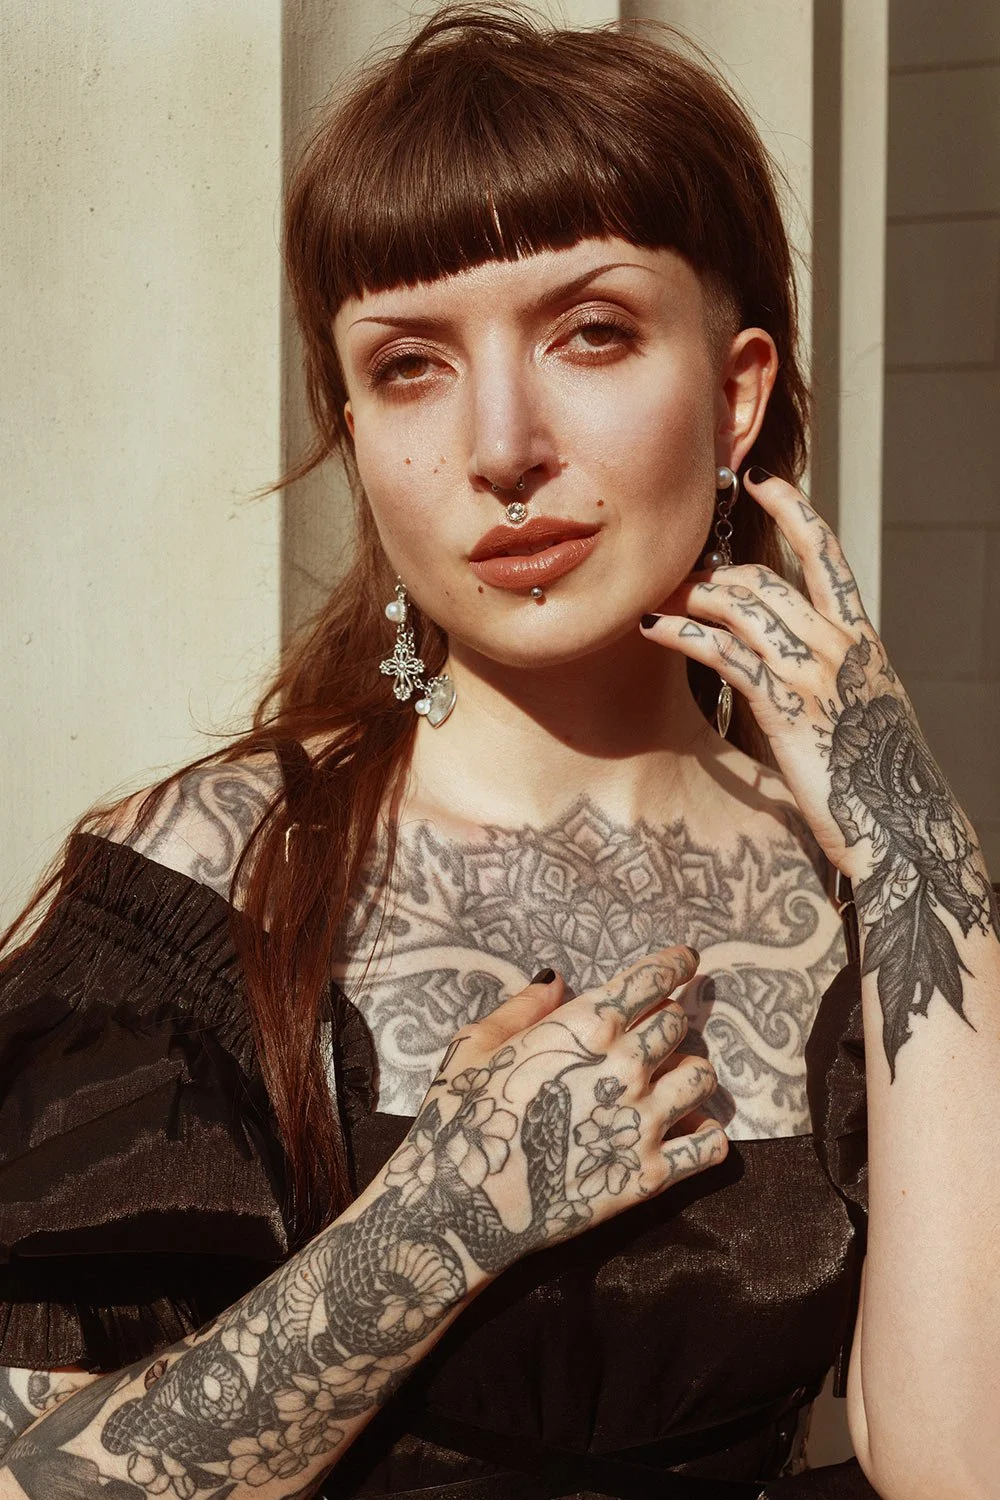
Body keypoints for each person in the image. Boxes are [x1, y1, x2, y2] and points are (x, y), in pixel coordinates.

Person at [1, 6, 998, 1499]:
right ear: (354, 431)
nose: (502, 444)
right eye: (411, 365)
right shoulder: (203, 886)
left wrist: (927, 857)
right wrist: (438, 1229)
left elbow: (959, 1463)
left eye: (591, 332)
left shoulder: (865, 888)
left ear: (735, 395)